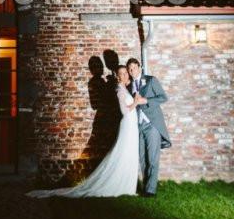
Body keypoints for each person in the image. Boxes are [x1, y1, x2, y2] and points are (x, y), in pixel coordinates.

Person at [27, 65, 142, 198]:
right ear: (117, 76)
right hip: (127, 125)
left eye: (125, 73)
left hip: (132, 125)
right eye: (121, 74)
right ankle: (120, 185)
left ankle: (127, 185)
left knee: (128, 153)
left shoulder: (125, 88)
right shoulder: (119, 90)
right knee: (123, 153)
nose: (124, 75)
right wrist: (136, 102)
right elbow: (124, 111)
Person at [127, 57, 171, 197]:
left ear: (140, 67)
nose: (132, 71)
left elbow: (163, 97)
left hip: (152, 125)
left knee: (152, 158)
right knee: (142, 157)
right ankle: (146, 186)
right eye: (129, 69)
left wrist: (146, 100)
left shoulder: (151, 80)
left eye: (134, 68)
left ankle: (150, 190)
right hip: (138, 126)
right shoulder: (130, 86)